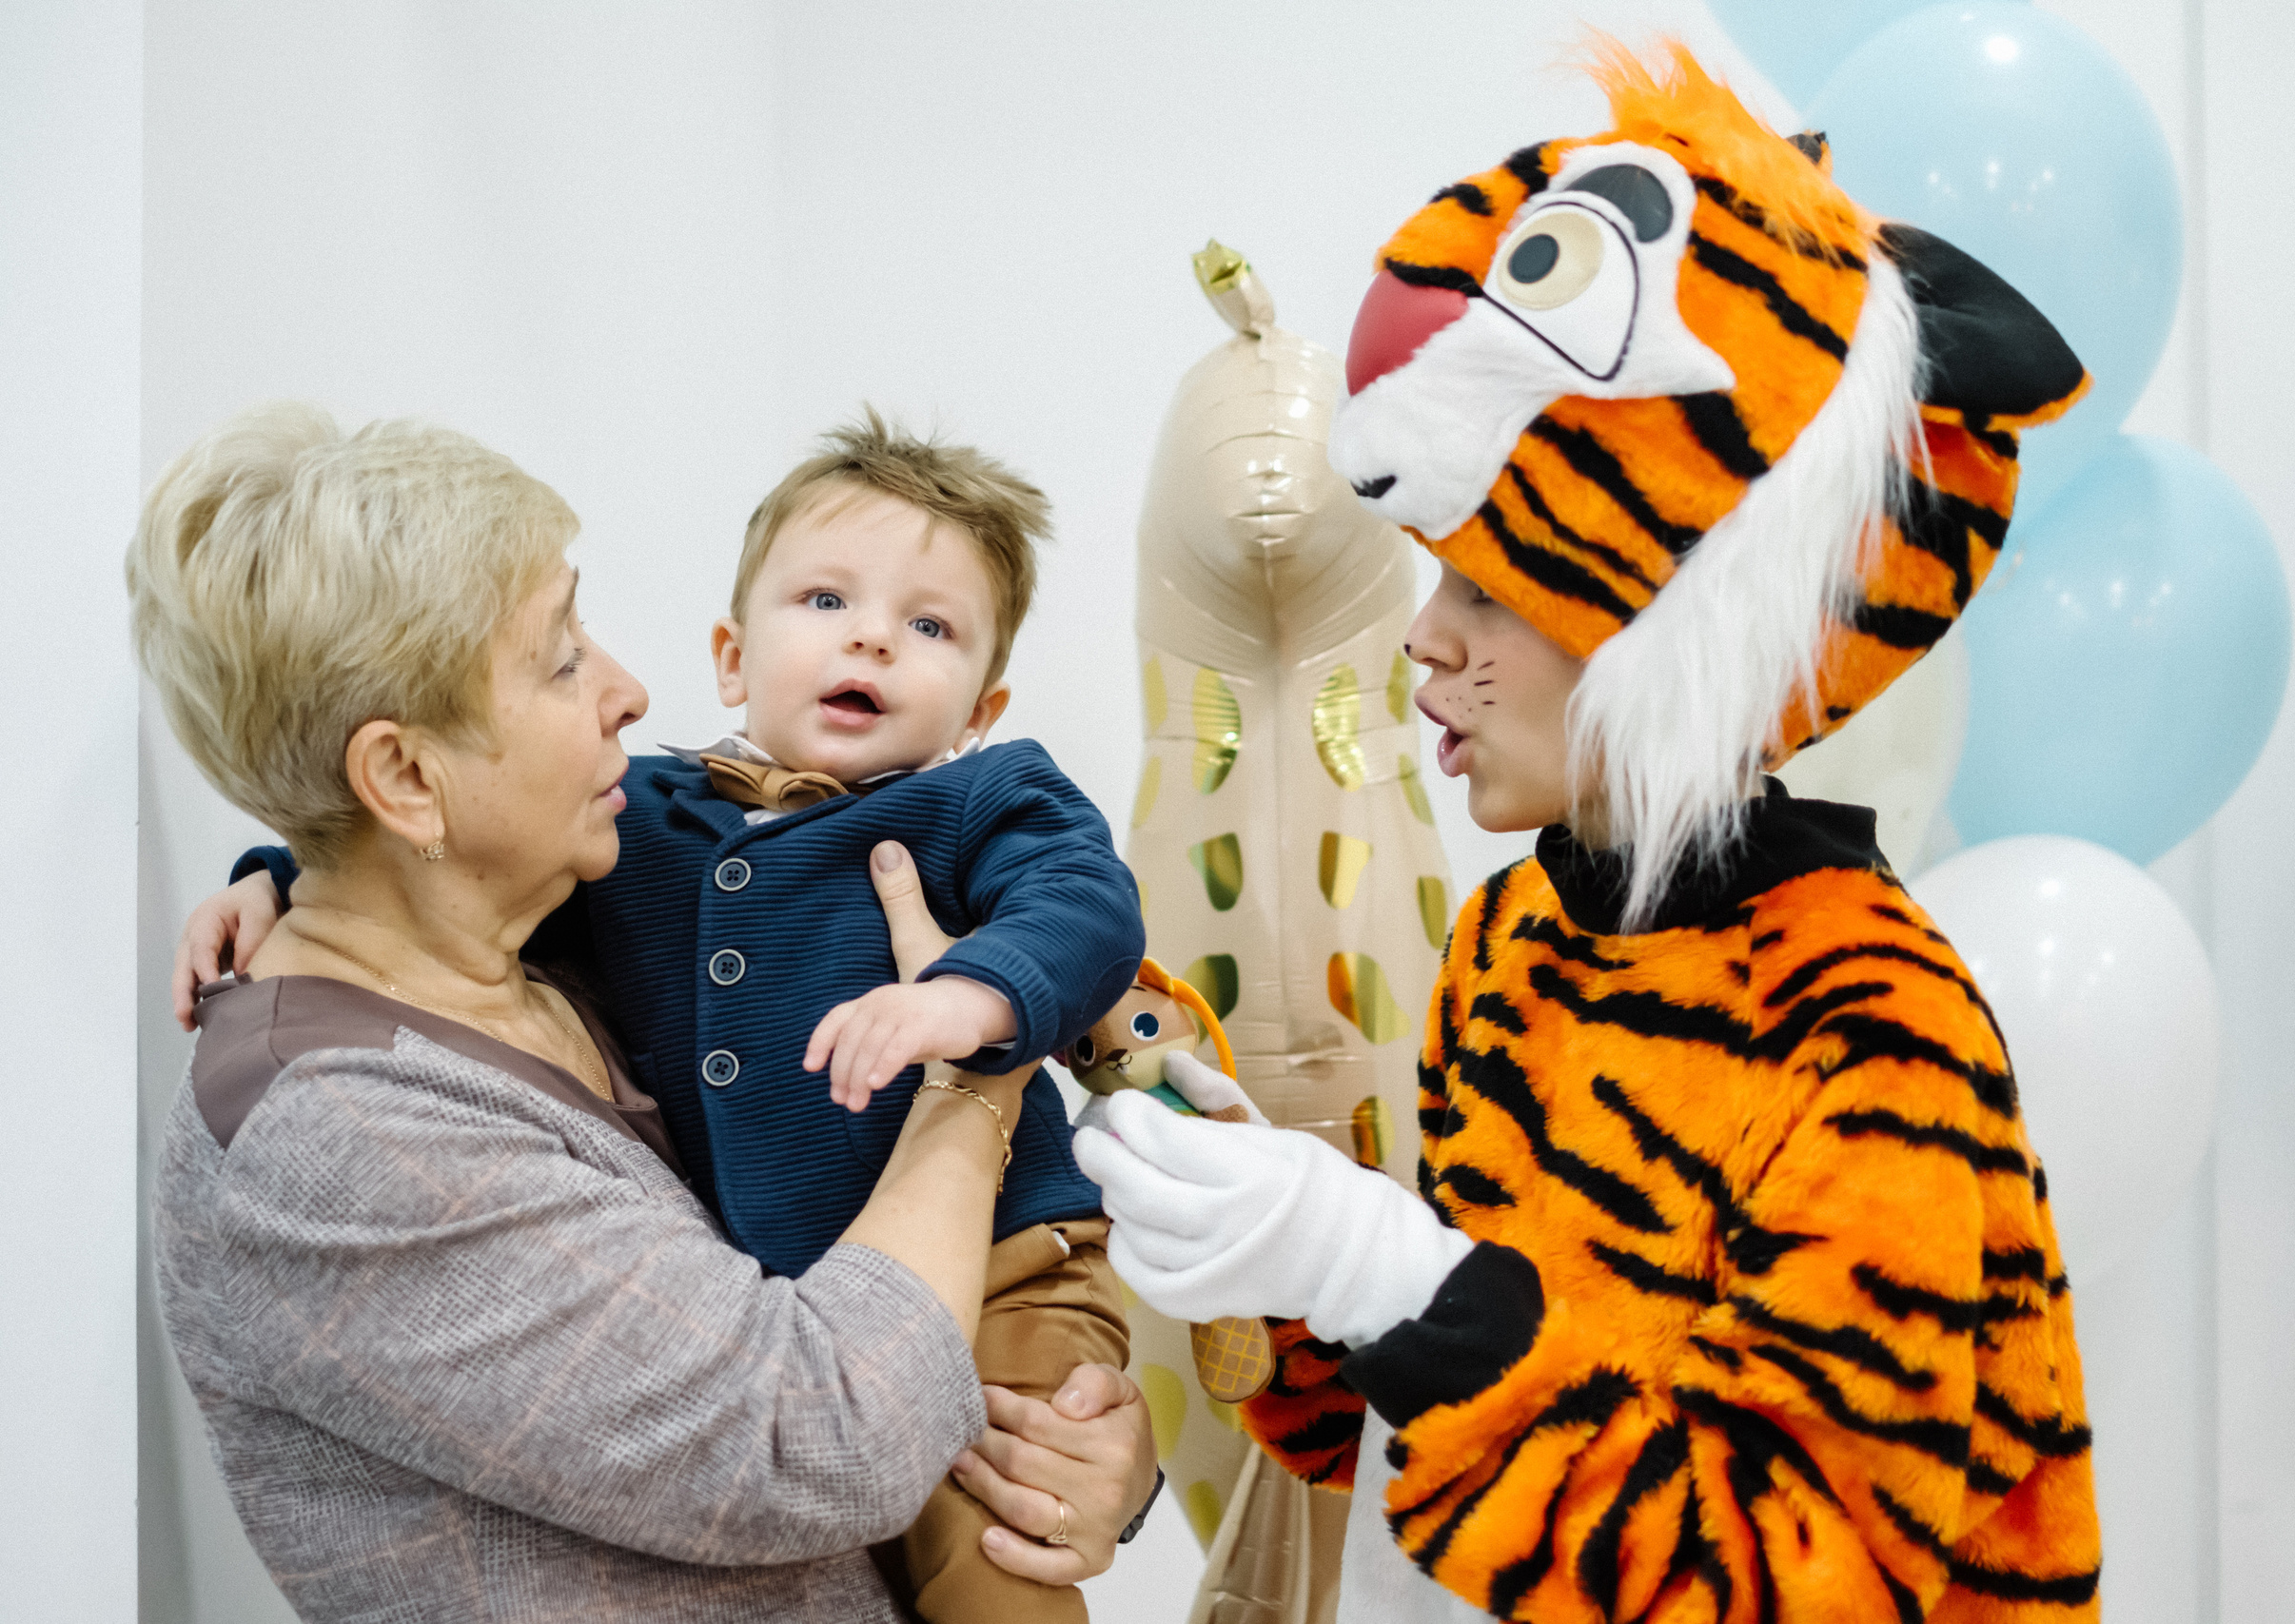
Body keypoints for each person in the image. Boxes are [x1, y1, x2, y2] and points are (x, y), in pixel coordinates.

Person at [1075, 44, 2103, 1624]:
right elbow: (1470, 1462)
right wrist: (1282, 1269)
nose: (1424, 642)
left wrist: (1385, 1274)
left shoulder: (1877, 1028)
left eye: (1485, 588)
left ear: (1659, 613)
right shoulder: (1516, 942)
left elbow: (1775, 1583)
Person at [137, 405, 1156, 1623]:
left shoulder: (552, 939)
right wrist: (978, 1076)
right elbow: (825, 1438)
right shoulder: (338, 1132)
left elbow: (1081, 906)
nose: (628, 690)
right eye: (562, 655)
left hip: (1005, 1308)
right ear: (407, 780)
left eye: (927, 626)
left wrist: (1092, 1468)